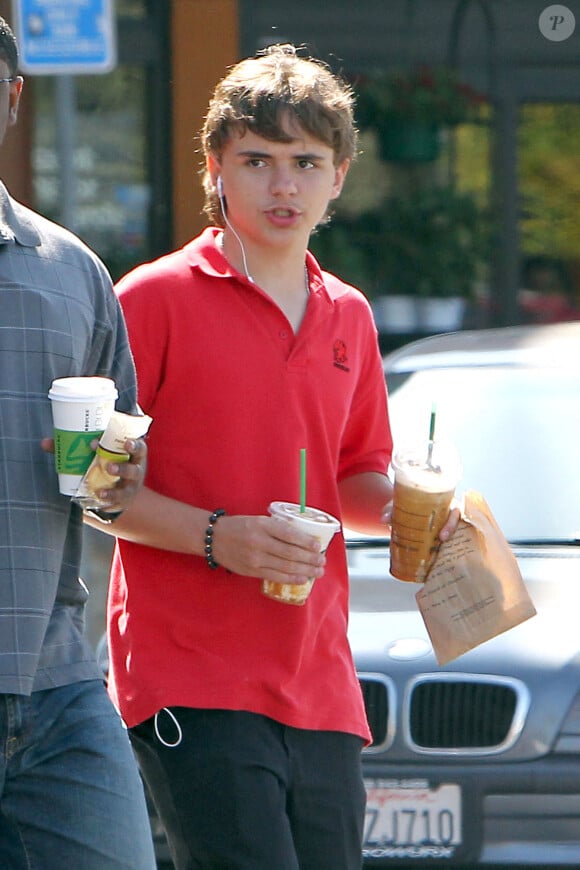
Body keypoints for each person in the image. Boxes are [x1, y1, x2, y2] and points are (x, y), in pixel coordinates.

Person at [102, 44, 459, 870]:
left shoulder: (352, 317)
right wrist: (216, 535)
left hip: (319, 673)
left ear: (341, 176)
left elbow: (356, 478)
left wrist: (426, 510)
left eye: (307, 161)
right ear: (215, 168)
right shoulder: (149, 299)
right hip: (189, 670)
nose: (283, 185)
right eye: (257, 161)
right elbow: (98, 490)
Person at [0, 17, 156, 870]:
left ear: (14, 100)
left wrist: (117, 476)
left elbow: (114, 479)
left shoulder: (73, 272)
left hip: (56, 682)